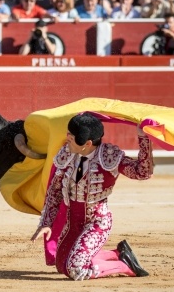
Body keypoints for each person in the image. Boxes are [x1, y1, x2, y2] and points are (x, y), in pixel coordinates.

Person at [30, 113, 152, 281]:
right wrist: (46, 223)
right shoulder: (67, 153)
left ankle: (125, 266)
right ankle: (117, 254)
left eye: (71, 138)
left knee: (76, 269)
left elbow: (142, 172)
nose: (67, 140)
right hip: (73, 223)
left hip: (97, 223)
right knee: (61, 264)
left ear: (87, 143)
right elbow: (55, 191)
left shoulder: (109, 157)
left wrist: (143, 138)